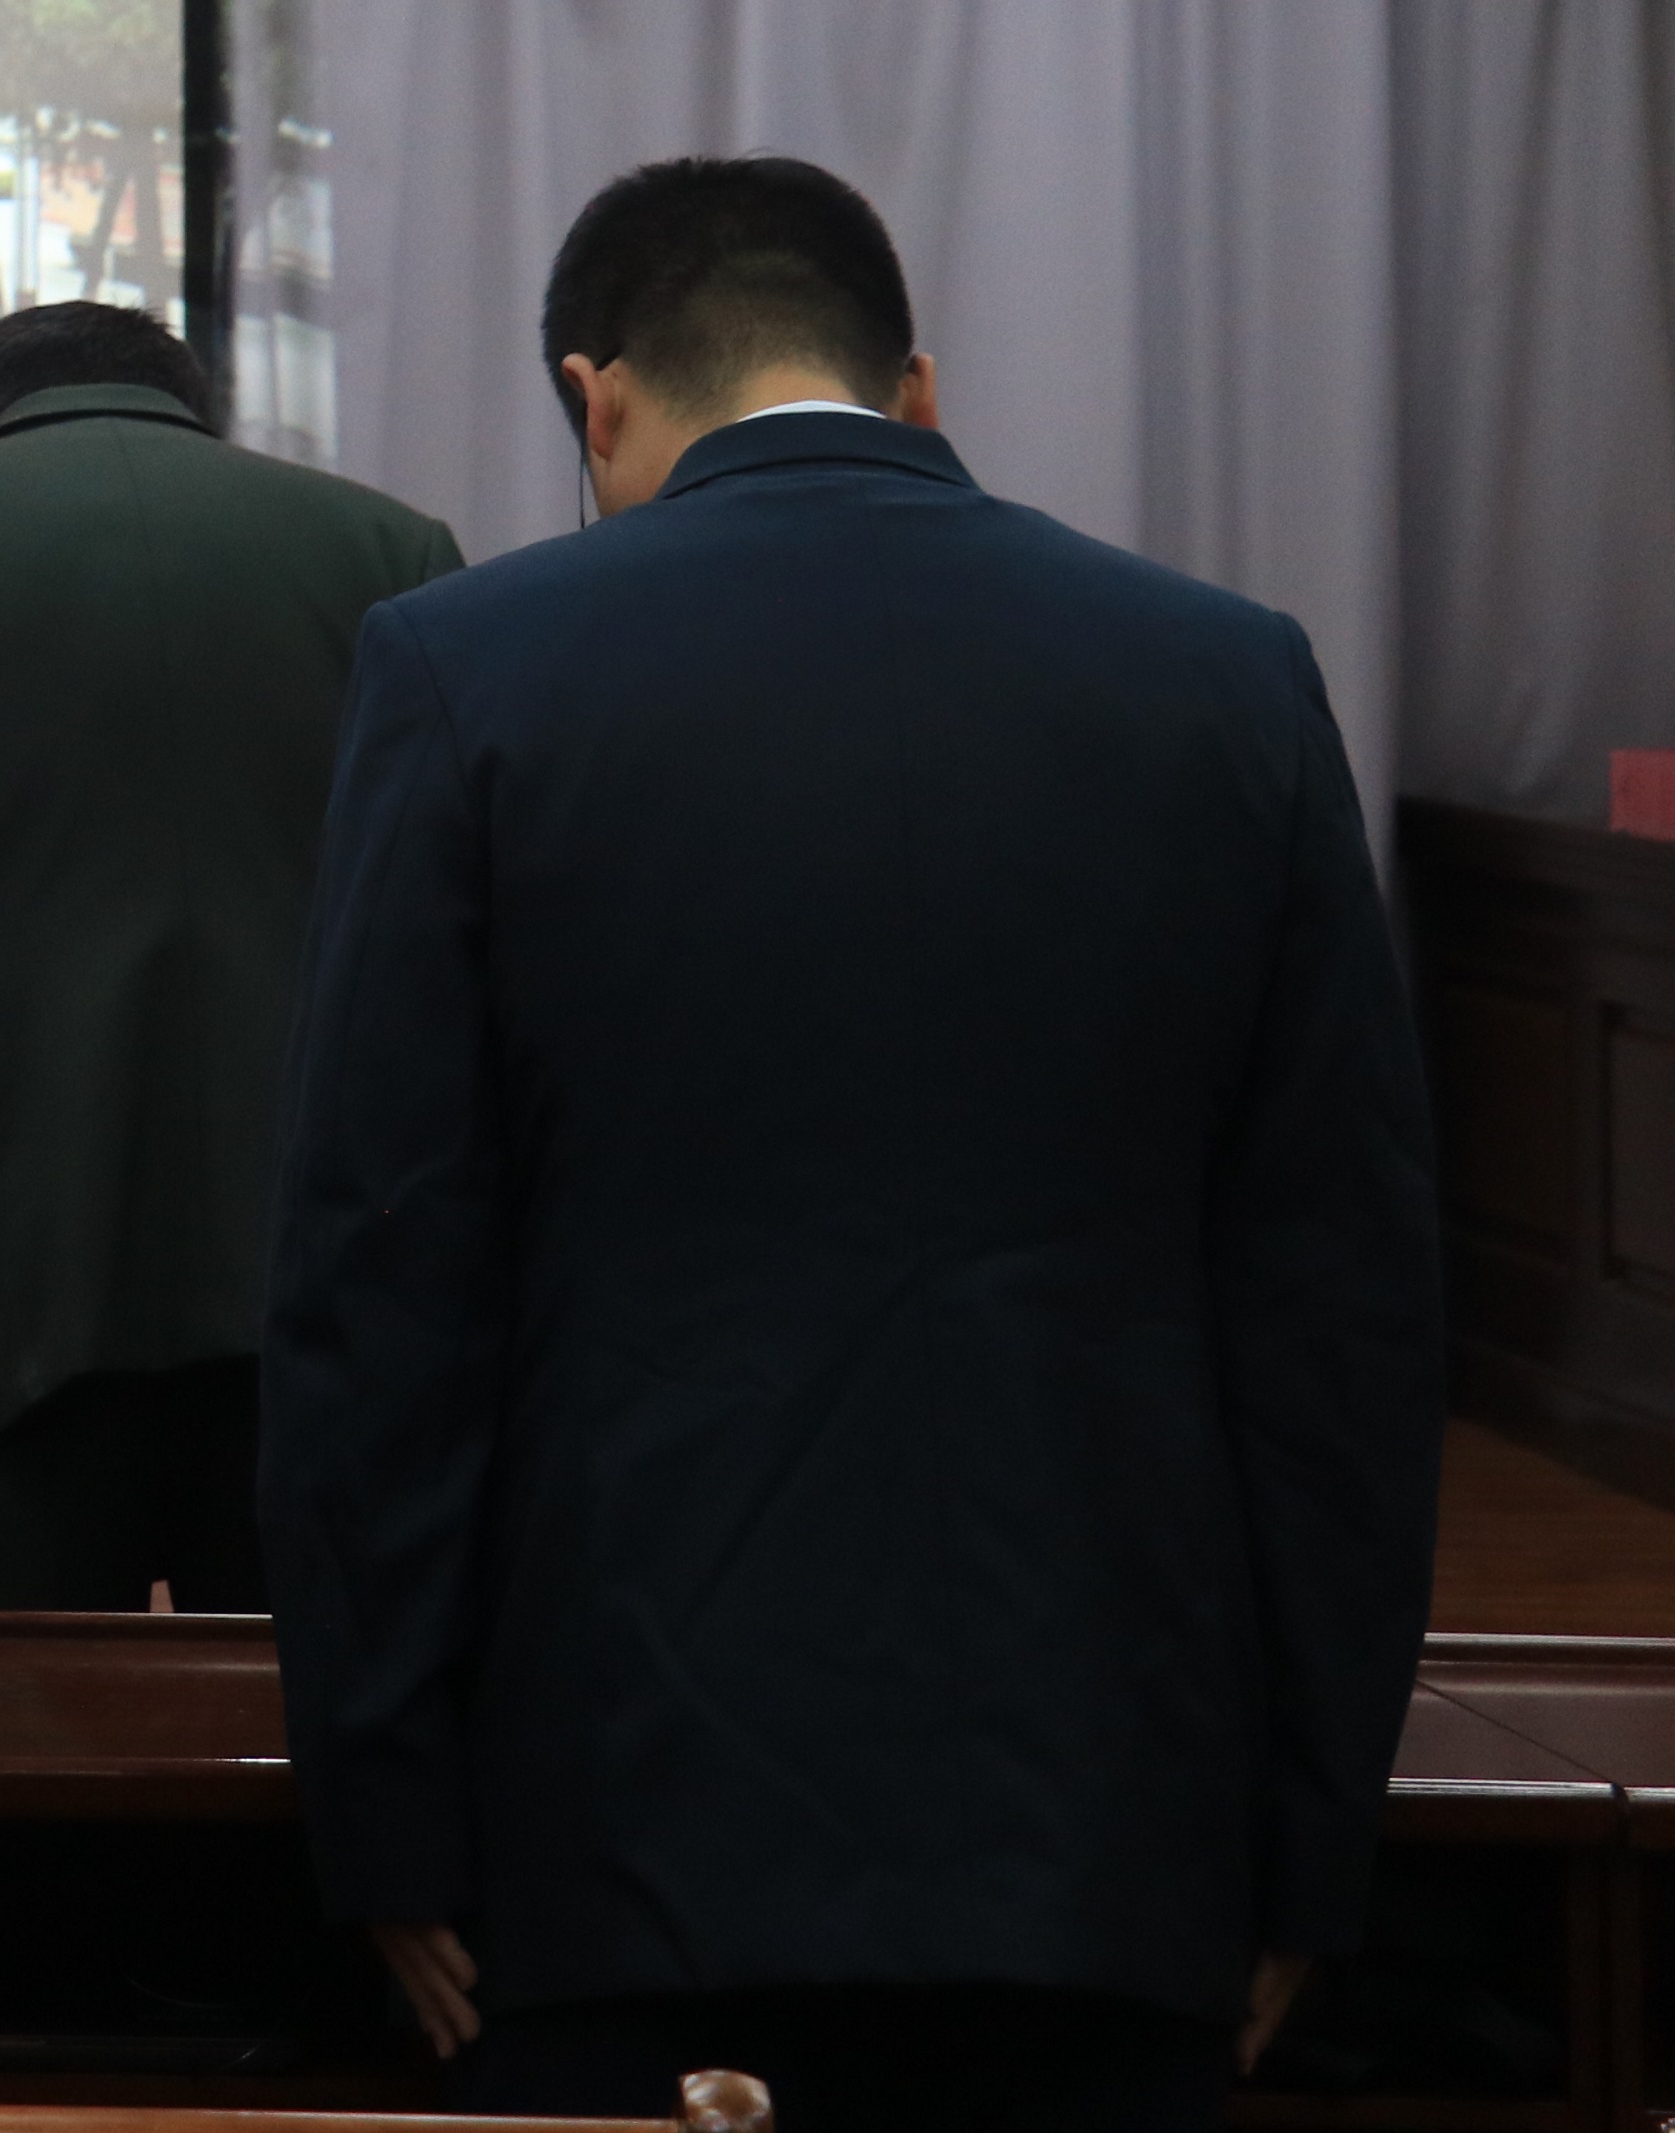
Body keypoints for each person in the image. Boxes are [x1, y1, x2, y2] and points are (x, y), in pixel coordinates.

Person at [263, 155, 1440, 2132]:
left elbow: (374, 1285)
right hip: (1110, 1838)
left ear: (592, 401)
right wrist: (1309, 1841)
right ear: (917, 384)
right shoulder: (1229, 674)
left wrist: (383, 1811)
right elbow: (1345, 1318)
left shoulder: (466, 671)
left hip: (613, 1830)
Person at [0, 300, 458, 1610]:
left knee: (16, 1728)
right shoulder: (389, 549)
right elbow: (441, 966)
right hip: (327, 1309)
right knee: (298, 1724)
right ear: (198, 419)